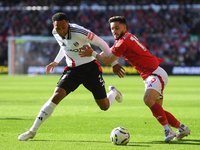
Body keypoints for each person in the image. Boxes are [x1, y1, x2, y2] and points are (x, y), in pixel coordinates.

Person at [79, 16, 191, 143]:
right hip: (150, 75)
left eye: (117, 28)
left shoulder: (123, 42)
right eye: (112, 29)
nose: (114, 31)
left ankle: (168, 130)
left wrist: (92, 53)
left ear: (124, 27)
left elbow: (108, 60)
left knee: (148, 100)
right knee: (157, 109)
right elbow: (108, 54)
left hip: (155, 73)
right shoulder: (125, 38)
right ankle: (182, 128)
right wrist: (94, 55)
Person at [18, 12, 125, 141]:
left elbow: (102, 43)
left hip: (91, 69)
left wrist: (113, 63)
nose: (62, 31)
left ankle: (113, 92)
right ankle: (32, 131)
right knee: (56, 96)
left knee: (104, 106)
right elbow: (64, 46)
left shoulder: (80, 32)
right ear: (54, 25)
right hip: (72, 71)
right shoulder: (55, 32)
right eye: (58, 28)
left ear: (68, 24)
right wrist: (56, 61)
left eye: (64, 27)